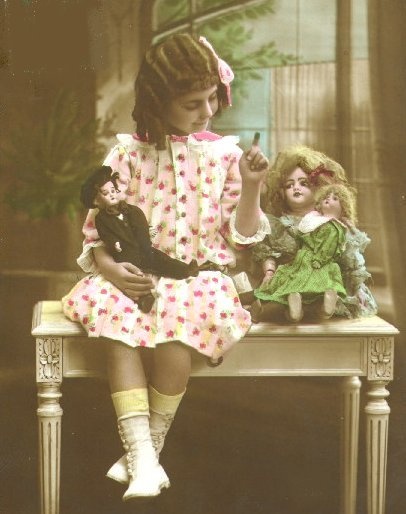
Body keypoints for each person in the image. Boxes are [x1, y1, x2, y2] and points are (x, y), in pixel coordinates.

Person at [62, 33, 270, 501]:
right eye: (192, 103)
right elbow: (97, 232)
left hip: (195, 277)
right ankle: (143, 455)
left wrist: (253, 185)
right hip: (133, 275)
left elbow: (241, 235)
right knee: (117, 332)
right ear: (158, 102)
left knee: (176, 331)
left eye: (212, 98)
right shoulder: (126, 156)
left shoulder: (224, 157)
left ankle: (144, 453)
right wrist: (110, 270)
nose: (207, 111)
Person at [249, 144, 377, 322]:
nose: (296, 188)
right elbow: (268, 251)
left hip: (322, 276)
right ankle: (294, 312)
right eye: (289, 185)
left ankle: (324, 309)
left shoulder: (330, 223)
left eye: (304, 183)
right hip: (291, 277)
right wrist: (269, 272)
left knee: (327, 292)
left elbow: (347, 255)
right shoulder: (277, 225)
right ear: (281, 192)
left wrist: (355, 281)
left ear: (319, 188)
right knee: (280, 301)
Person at [80, 165, 200, 313]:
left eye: (113, 191)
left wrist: (145, 240)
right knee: (136, 277)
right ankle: (145, 299)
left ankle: (185, 270)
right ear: (96, 201)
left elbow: (141, 226)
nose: (111, 195)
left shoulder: (132, 211)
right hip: (126, 254)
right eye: (105, 193)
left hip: (144, 250)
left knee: (162, 260)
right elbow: (105, 235)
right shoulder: (102, 219)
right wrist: (114, 244)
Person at [252, 183, 357, 322]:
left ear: (343, 208)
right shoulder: (315, 219)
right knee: (300, 284)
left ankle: (315, 308)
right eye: (327, 196)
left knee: (302, 284)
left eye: (335, 198)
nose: (328, 199)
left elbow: (328, 247)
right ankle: (299, 308)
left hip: (316, 262)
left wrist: (318, 259)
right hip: (305, 259)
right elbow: (302, 237)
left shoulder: (333, 226)